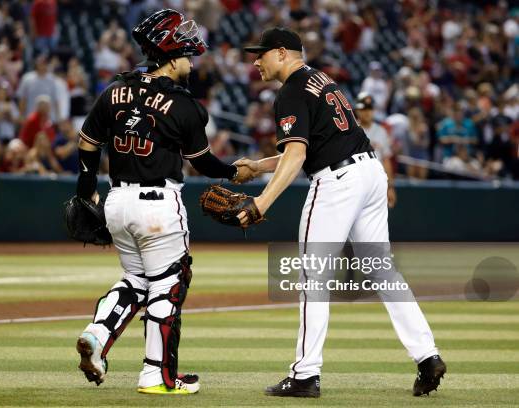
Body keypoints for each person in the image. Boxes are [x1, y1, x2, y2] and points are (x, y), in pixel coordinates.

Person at [236, 27, 446, 398]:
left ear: (282, 53)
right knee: (383, 271)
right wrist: (257, 166)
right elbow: (311, 147)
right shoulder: (322, 80)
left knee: (313, 275)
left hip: (339, 183)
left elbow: (299, 155)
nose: (256, 61)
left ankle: (304, 374)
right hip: (369, 173)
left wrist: (261, 202)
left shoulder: (291, 91)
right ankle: (427, 355)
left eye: (262, 53)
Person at [73, 9, 251, 395]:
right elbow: (203, 161)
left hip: (117, 201)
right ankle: (157, 375)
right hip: (158, 204)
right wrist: (235, 173)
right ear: (171, 56)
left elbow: (87, 143)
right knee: (170, 285)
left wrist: (85, 188)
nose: (191, 62)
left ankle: (97, 334)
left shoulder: (114, 90)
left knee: (137, 281)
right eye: (187, 55)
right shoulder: (185, 105)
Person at [354, 92, 397, 207]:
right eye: (363, 109)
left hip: (377, 183)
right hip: (356, 182)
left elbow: (386, 160)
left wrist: (390, 187)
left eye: (369, 109)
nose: (367, 112)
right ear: (357, 111)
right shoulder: (351, 131)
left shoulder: (381, 131)